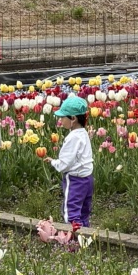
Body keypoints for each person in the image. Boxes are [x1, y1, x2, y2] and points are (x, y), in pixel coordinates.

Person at [50, 94, 94, 226]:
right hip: (88, 179)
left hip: (75, 181)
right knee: (84, 212)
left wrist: (53, 162)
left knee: (71, 213)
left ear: (73, 118)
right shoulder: (83, 133)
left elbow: (65, 164)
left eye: (63, 117)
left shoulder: (72, 138)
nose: (61, 120)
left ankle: (74, 243)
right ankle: (86, 240)